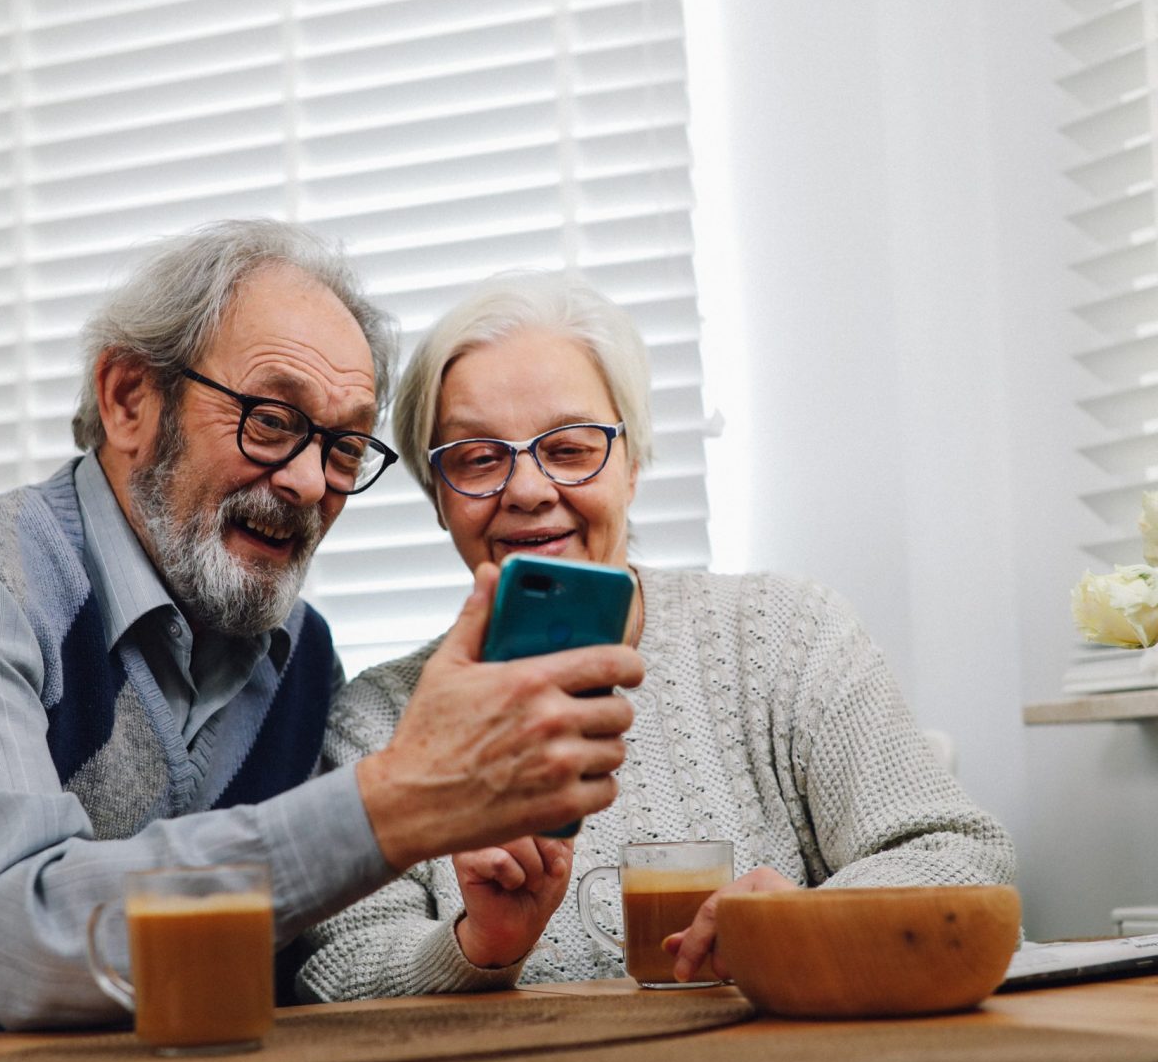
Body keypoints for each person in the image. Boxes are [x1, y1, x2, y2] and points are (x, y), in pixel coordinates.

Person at [0, 226, 643, 1035]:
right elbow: (13, 943)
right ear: (128, 399)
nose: (313, 481)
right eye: (273, 420)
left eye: (346, 444)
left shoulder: (301, 660)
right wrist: (391, 808)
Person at [295, 271, 1017, 1002]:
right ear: (439, 497)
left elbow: (956, 851)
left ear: (632, 465)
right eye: (478, 459)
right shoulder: (377, 719)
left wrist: (805, 918)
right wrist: (476, 947)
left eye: (571, 448)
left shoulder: (787, 634)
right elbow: (333, 974)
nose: (527, 490)